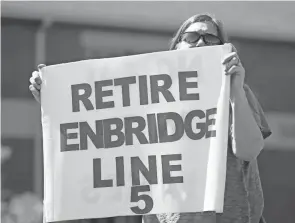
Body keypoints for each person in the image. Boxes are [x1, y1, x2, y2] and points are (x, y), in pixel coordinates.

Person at [29, 13, 271, 223]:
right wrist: (57, 103)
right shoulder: (145, 97)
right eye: (191, 37)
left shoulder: (237, 91)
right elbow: (99, 135)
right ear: (176, 47)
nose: (201, 42)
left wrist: (236, 91)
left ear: (223, 47)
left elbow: (248, 151)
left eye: (211, 38)